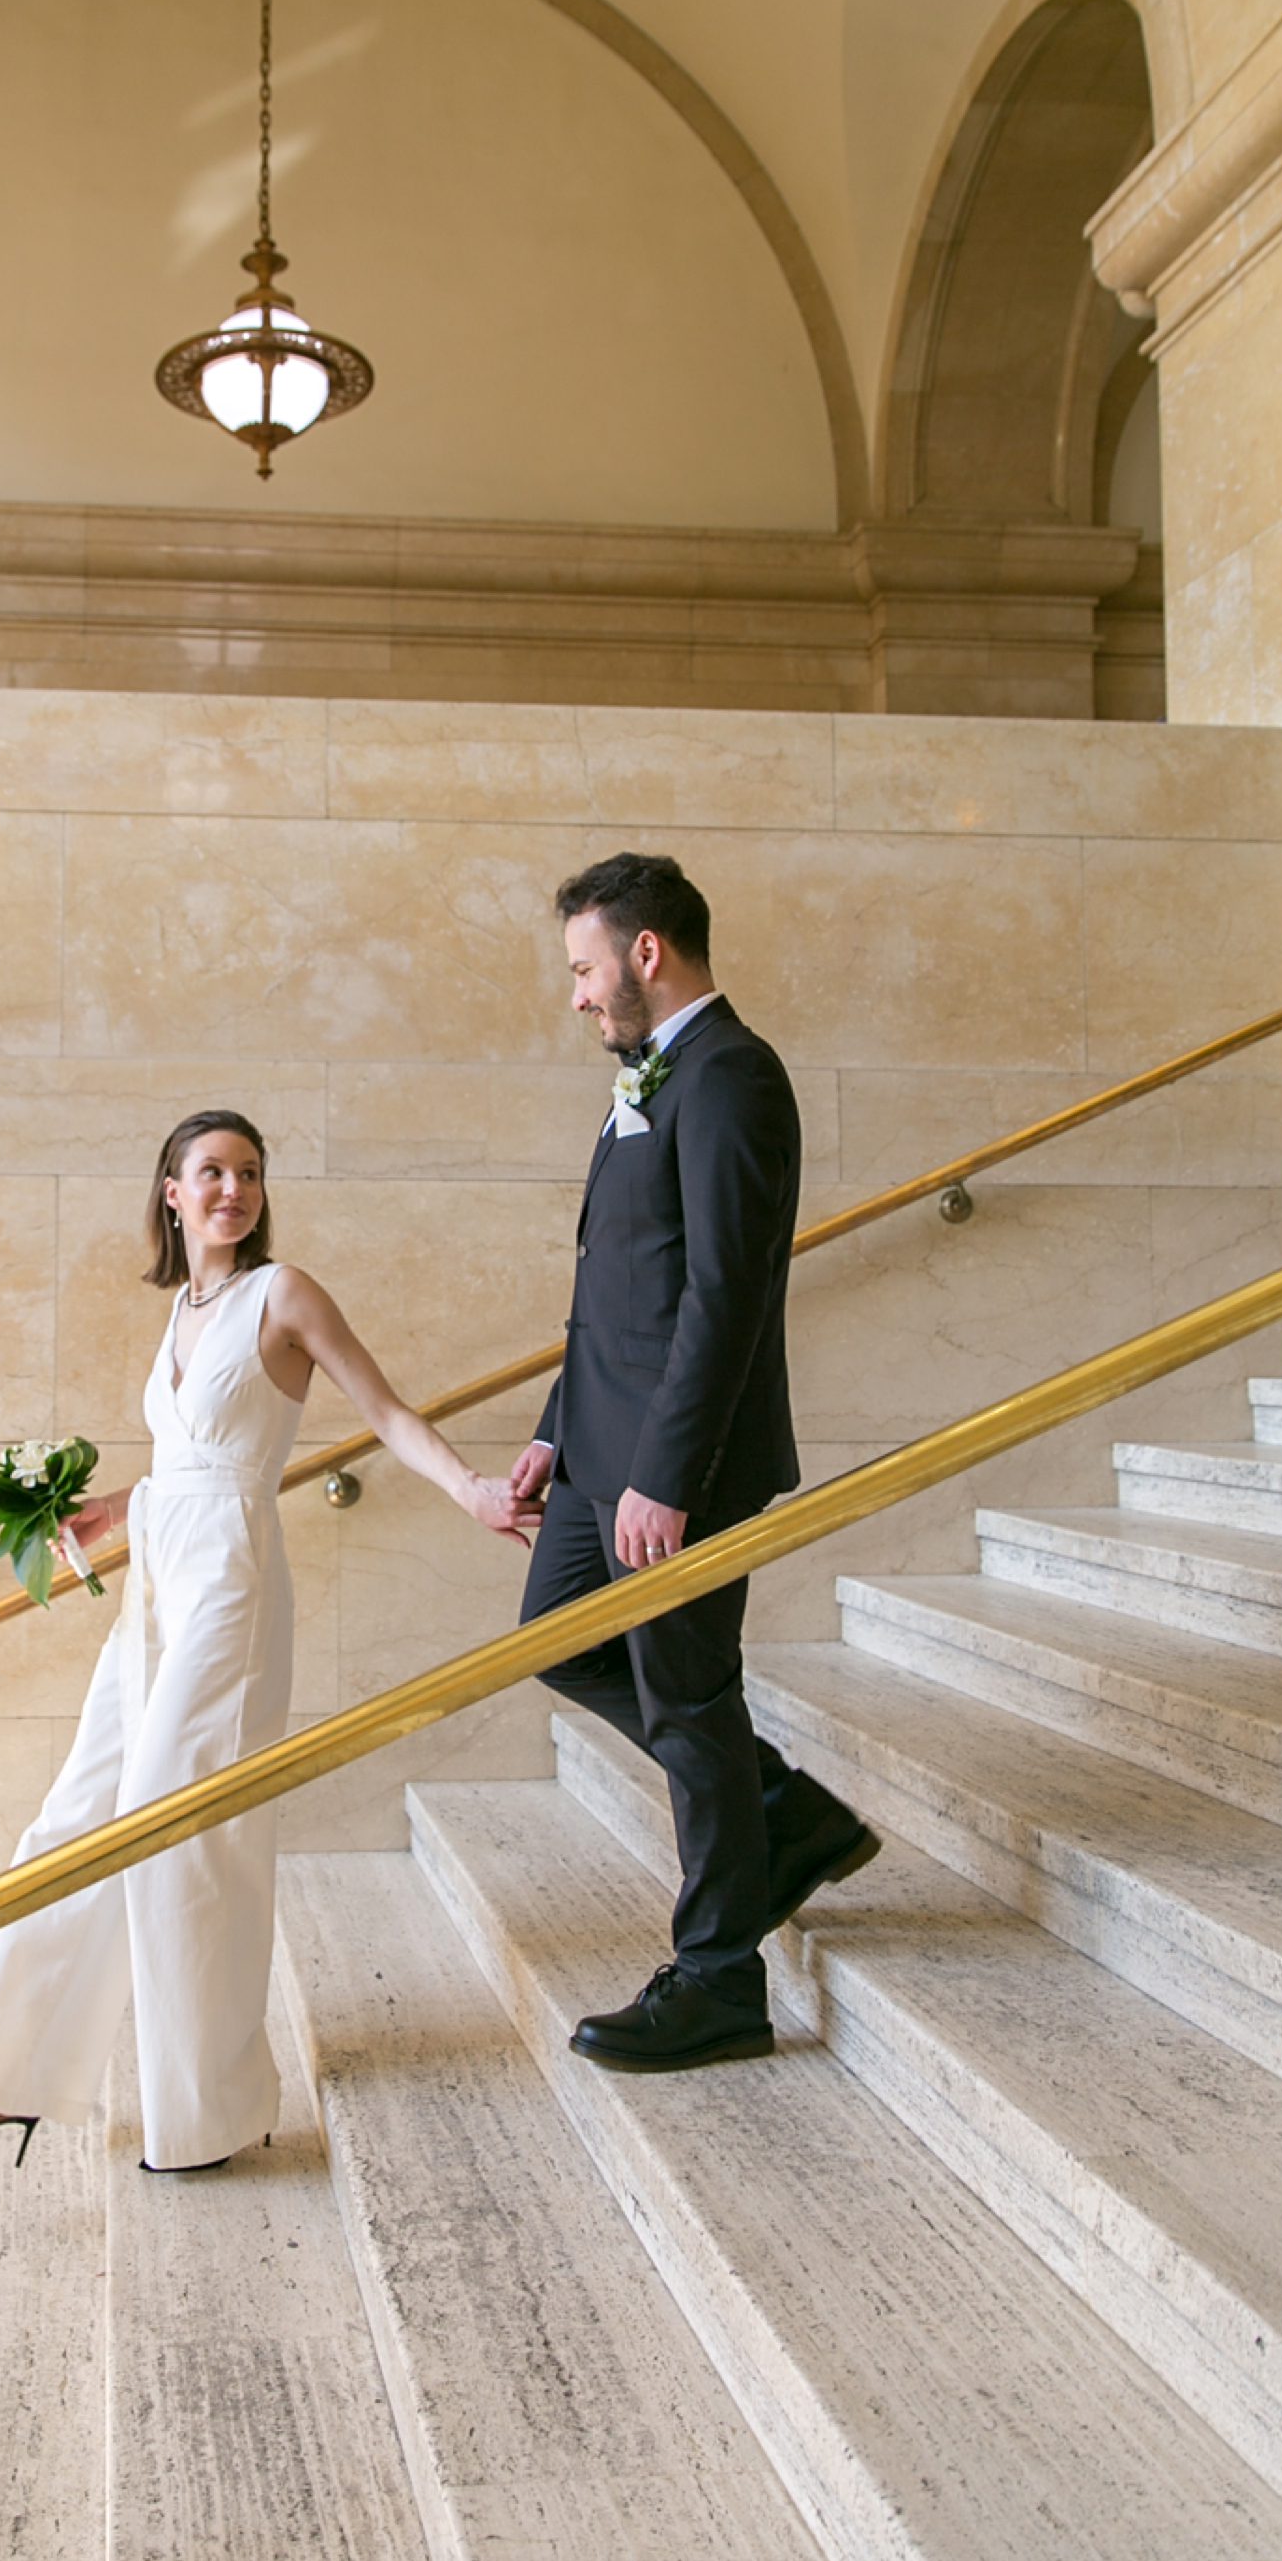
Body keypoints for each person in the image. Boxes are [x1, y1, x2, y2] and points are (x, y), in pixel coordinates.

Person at [0, 1107, 537, 2174]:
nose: (232, 1188)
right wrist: (116, 1505)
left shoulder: (281, 1295)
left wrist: (467, 1485)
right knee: (76, 1815)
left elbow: (379, 1412)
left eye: (248, 1171)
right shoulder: (180, 1314)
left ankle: (209, 2112)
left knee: (181, 1833)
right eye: (210, 1172)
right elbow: (190, 1462)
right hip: (158, 1578)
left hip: (230, 1591)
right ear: (170, 1194)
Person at [509, 851, 878, 2073]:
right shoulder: (646, 1077)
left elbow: (722, 1296)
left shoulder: (729, 1076)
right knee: (558, 1637)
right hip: (594, 1455)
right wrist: (556, 1426)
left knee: (687, 1700)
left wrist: (663, 1473)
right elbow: (612, 1287)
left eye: (582, 967)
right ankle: (781, 1815)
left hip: (676, 1466)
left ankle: (719, 1978)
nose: (575, 995)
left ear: (644, 952)